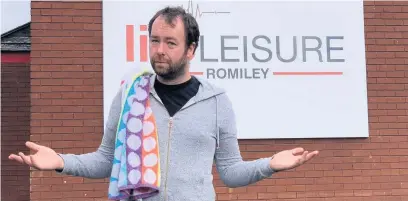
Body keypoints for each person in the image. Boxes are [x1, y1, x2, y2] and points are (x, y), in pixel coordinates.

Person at [9, 6, 319, 201]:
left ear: (190, 50)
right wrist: (60, 162)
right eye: (155, 40)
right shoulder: (130, 95)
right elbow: (106, 161)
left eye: (170, 43)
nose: (160, 50)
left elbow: (229, 172)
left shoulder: (216, 102)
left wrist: (269, 166)